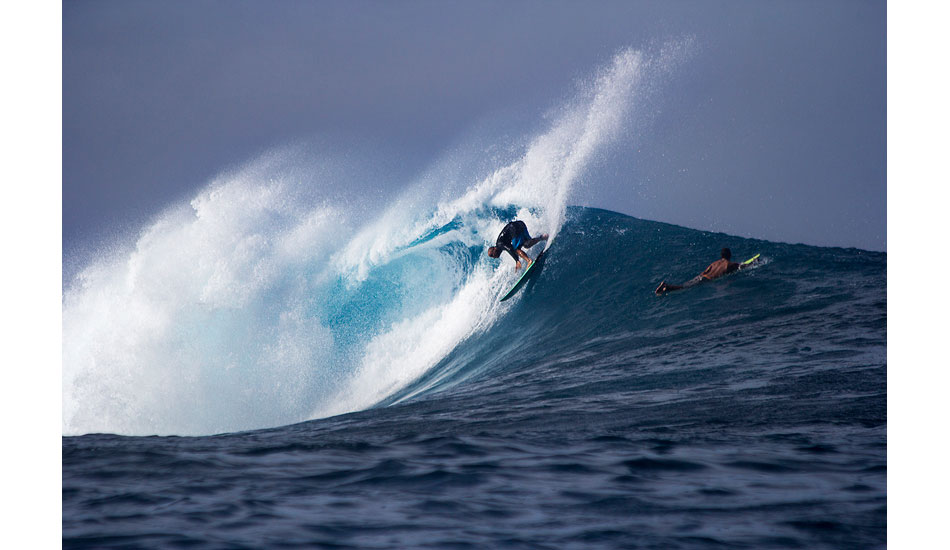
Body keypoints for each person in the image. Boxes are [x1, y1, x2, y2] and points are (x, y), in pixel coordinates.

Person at [655, 248, 752, 295]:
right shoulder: (730, 264)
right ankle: (666, 287)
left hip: (700, 277)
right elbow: (742, 266)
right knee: (684, 288)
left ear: (721, 255)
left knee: (684, 286)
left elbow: (706, 271)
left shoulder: (715, 263)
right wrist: (754, 263)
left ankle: (667, 287)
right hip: (706, 280)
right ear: (729, 255)